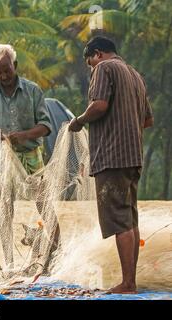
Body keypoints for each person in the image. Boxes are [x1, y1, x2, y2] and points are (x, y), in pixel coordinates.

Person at [0, 44, 60, 276]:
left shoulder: (32, 90)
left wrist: (24, 135)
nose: (4, 76)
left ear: (15, 66)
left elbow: (46, 126)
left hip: (31, 156)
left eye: (7, 70)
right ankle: (9, 262)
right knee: (5, 208)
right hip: (5, 159)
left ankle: (57, 250)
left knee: (44, 204)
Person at [69, 36, 154, 294]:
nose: (91, 67)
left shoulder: (104, 68)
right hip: (133, 158)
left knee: (119, 220)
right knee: (129, 218)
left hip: (112, 157)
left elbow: (100, 105)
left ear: (97, 54)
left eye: (89, 62)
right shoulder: (135, 75)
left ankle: (128, 283)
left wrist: (80, 120)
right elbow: (147, 121)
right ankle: (131, 280)